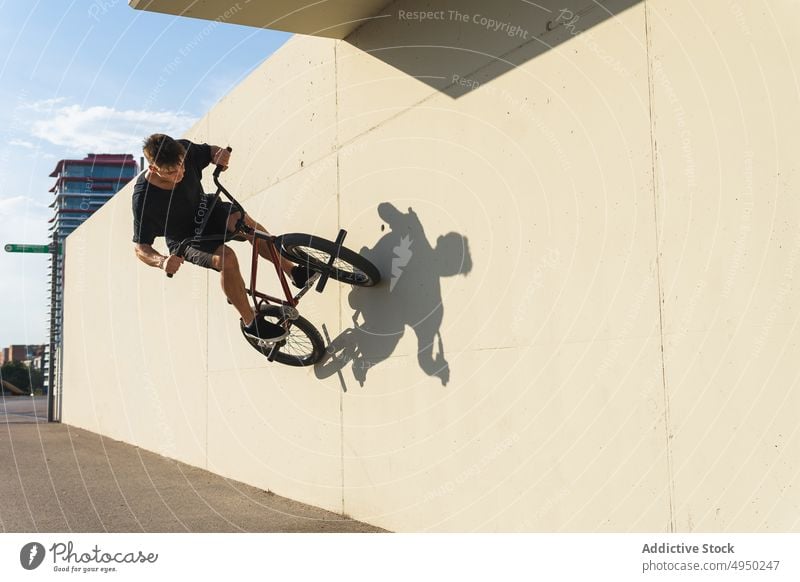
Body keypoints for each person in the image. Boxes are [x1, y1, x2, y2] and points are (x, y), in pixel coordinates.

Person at [132, 134, 310, 342]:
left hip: (207, 209)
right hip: (187, 239)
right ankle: (251, 322)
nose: (180, 173)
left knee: (245, 224)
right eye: (171, 172)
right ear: (153, 169)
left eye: (181, 165)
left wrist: (220, 155)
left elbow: (210, 152)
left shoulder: (183, 149)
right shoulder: (144, 199)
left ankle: (294, 272)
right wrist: (162, 262)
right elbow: (141, 247)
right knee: (227, 258)